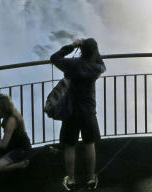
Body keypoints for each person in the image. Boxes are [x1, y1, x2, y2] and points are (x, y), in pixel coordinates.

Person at [50, 37, 106, 190]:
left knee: (69, 146)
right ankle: (90, 178)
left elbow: (54, 58)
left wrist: (71, 46)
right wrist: (93, 50)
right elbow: (103, 64)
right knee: (89, 143)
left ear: (81, 50)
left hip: (71, 111)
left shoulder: (71, 65)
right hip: (88, 110)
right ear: (94, 52)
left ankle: (71, 179)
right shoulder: (96, 68)